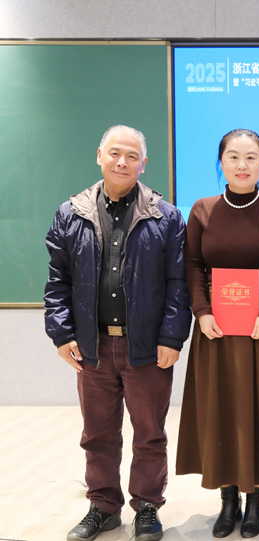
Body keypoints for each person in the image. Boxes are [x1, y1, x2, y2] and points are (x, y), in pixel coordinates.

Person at [44, 125, 192, 541]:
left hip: (146, 347)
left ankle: (147, 507)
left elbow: (178, 284)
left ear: (143, 164)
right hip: (91, 346)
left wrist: (171, 338)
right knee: (97, 434)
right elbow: (58, 280)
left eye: (131, 156)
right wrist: (61, 334)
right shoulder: (70, 214)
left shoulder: (166, 216)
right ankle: (103, 507)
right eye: (114, 153)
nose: (122, 162)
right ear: (99, 156)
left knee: (150, 434)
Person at [175, 129, 259, 538]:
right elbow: (193, 264)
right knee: (220, 408)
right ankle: (227, 498)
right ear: (221, 163)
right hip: (215, 328)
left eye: (251, 157)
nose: (242, 165)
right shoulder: (202, 210)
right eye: (233, 157)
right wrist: (202, 312)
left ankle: (255, 499)